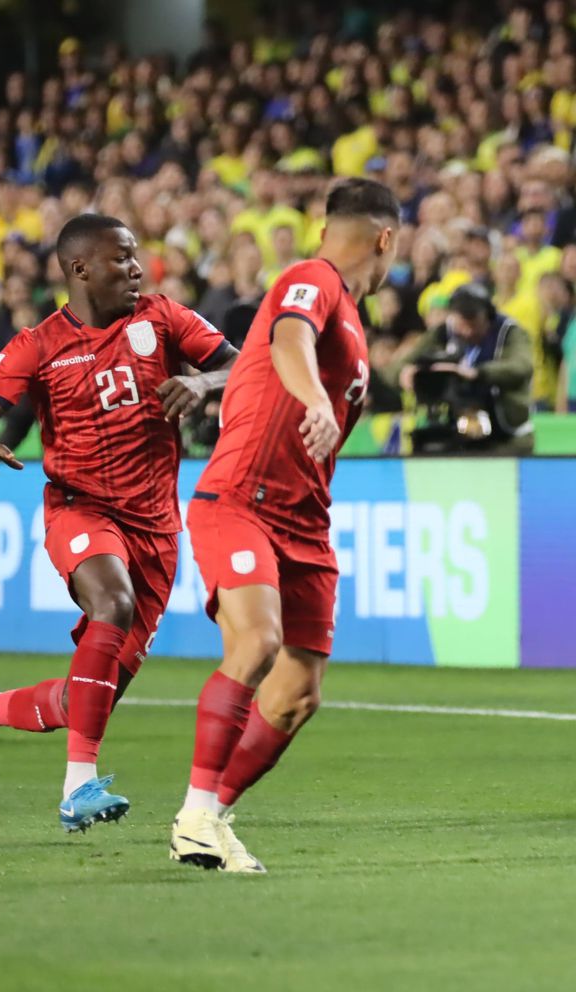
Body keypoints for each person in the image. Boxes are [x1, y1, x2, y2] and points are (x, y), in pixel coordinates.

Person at [0, 214, 238, 832]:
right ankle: (77, 789)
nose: (137, 268)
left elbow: (247, 366)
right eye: (122, 258)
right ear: (81, 268)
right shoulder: (37, 346)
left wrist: (205, 380)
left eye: (136, 256)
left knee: (85, 699)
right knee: (111, 603)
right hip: (80, 508)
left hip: (157, 529)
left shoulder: (164, 318)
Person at [169, 178, 401, 874]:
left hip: (306, 518)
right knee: (258, 641)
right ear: (386, 239)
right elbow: (287, 337)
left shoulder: (353, 321)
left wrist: (218, 384)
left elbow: (259, 360)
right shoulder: (313, 278)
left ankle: (213, 815)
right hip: (243, 497)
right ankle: (193, 815)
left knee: (299, 693)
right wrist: (316, 401)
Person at [397, 281, 534, 453]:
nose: (468, 332)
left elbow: (522, 366)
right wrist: (410, 370)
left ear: (488, 316)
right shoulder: (443, 332)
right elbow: (398, 367)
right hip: (454, 430)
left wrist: (478, 373)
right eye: (463, 324)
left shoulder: (508, 332)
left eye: (474, 325)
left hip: (507, 435)